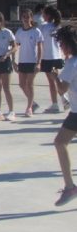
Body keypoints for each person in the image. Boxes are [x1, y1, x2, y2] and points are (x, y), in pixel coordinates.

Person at [53, 25, 77, 206]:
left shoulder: (71, 64)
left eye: (61, 43)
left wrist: (55, 76)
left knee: (60, 143)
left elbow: (62, 89)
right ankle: (70, 187)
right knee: (60, 142)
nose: (60, 46)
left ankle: (70, 187)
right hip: (75, 112)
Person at [13, 8, 43, 117]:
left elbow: (40, 47)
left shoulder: (36, 31)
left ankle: (29, 108)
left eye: (27, 17)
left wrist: (38, 63)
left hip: (32, 61)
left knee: (29, 84)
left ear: (31, 18)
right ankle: (33, 103)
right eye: (24, 17)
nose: (25, 19)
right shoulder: (19, 32)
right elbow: (15, 46)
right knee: (22, 84)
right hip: (22, 61)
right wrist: (13, 61)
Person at [40, 6, 68, 113]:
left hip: (48, 56)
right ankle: (62, 99)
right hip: (57, 56)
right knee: (56, 79)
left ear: (48, 15)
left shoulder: (44, 27)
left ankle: (58, 102)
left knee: (52, 81)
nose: (42, 16)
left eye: (44, 14)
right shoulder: (58, 26)